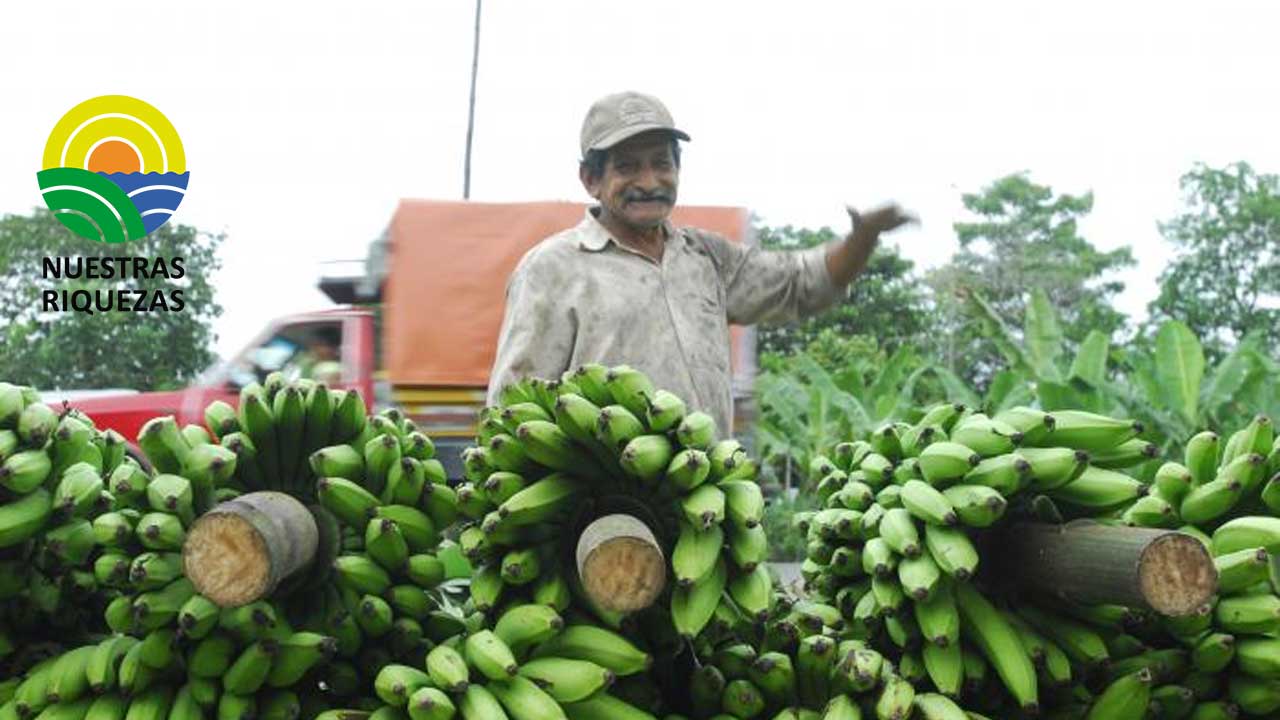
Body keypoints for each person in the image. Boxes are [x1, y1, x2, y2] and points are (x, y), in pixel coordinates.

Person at [487, 91, 915, 435]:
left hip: (706, 500)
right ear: (591, 179)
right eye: (628, 167)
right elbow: (514, 410)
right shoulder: (553, 269)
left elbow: (802, 283)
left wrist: (864, 237)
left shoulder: (706, 257)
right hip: (604, 518)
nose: (649, 181)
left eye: (661, 163)